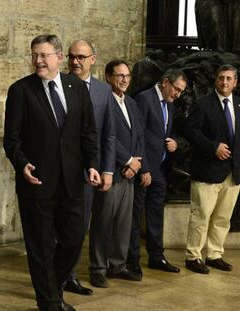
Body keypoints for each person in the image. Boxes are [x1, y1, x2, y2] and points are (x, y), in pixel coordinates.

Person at [3, 34, 100, 311]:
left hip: (72, 182)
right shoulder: (21, 90)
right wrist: (22, 163)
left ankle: (53, 291)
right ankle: (49, 303)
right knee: (41, 248)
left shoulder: (77, 88)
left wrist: (91, 164)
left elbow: (88, 132)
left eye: (44, 55)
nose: (38, 60)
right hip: (36, 183)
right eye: (34, 55)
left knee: (72, 241)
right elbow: (12, 139)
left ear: (59, 57)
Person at [64, 39, 115, 295]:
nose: (75, 61)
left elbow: (108, 134)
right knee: (70, 228)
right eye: (72, 56)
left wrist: (107, 169)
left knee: (90, 225)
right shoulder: (58, 85)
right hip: (67, 171)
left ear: (92, 59)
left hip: (95, 172)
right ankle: (66, 276)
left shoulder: (104, 92)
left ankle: (85, 272)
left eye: (81, 57)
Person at [89, 60, 145, 287]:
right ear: (108, 77)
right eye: (119, 75)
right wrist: (127, 160)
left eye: (127, 76)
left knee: (123, 224)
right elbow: (106, 137)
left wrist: (136, 164)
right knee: (103, 222)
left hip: (130, 173)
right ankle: (98, 268)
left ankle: (117, 265)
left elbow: (139, 135)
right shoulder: (102, 101)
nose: (124, 80)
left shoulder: (131, 102)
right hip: (111, 171)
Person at [127, 69, 187, 278]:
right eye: (176, 89)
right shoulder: (144, 99)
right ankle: (132, 260)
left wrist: (174, 143)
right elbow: (137, 136)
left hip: (160, 170)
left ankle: (156, 257)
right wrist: (144, 169)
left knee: (155, 215)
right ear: (165, 82)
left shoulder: (168, 103)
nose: (177, 94)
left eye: (181, 91)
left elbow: (164, 132)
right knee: (135, 218)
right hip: (144, 170)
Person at [184, 64, 240, 274]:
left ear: (235, 82)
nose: (224, 82)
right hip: (207, 171)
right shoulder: (203, 104)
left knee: (222, 218)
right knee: (201, 216)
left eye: (228, 78)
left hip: (233, 173)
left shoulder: (239, 103)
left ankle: (215, 254)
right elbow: (190, 130)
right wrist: (212, 147)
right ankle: (193, 256)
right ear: (215, 81)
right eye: (221, 78)